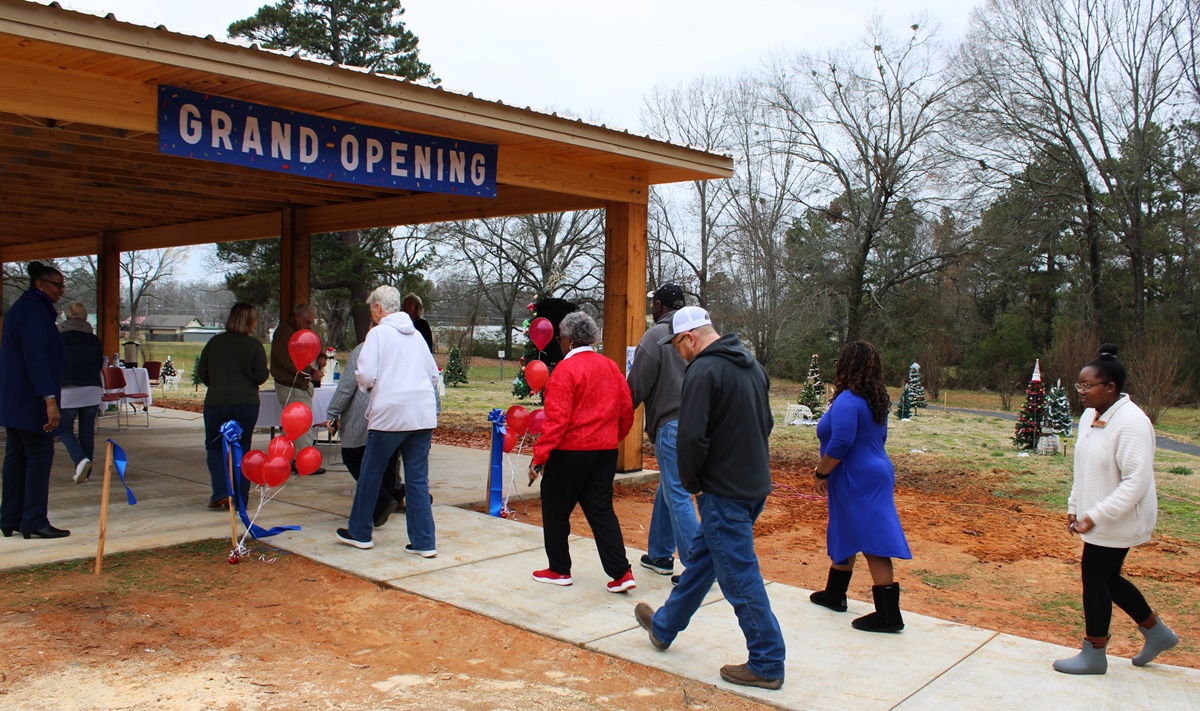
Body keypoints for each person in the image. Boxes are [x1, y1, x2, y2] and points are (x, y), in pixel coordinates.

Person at [633, 306, 785, 690]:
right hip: (753, 486)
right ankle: (664, 626)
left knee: (739, 576)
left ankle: (767, 661)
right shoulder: (751, 365)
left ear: (691, 337)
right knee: (704, 561)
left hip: (723, 492)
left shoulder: (702, 370)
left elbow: (692, 436)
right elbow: (766, 424)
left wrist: (692, 483)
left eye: (677, 346)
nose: (678, 353)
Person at [1053, 344, 1179, 675]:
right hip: (1096, 516)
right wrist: (1075, 504)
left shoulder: (1132, 422)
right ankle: (1156, 632)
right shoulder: (1089, 416)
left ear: (1110, 387)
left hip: (1121, 518)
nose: (1081, 391)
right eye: (1079, 384)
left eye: (1087, 385)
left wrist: (1095, 515)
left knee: (1095, 577)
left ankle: (1094, 653)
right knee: (1106, 577)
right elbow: (1083, 467)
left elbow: (1136, 482)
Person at [527, 311, 636, 593]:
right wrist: (612, 437)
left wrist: (539, 457)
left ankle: (559, 569)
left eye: (561, 339)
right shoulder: (610, 367)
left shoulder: (565, 370)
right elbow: (626, 409)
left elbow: (556, 420)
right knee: (601, 510)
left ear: (570, 341)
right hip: (604, 450)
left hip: (570, 452)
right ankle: (621, 572)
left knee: (555, 509)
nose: (560, 344)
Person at [808, 340, 912, 633]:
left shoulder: (847, 400)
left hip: (856, 476)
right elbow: (879, 439)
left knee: (872, 539)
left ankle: (889, 615)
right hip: (872, 471)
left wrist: (821, 472)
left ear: (846, 365)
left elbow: (841, 442)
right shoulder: (874, 400)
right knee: (845, 528)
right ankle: (834, 594)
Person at [336, 286, 440, 553]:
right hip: (422, 414)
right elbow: (433, 375)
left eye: (372, 308)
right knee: (418, 479)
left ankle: (360, 532)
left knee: (371, 472)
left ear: (379, 308)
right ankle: (424, 542)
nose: (371, 312)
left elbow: (365, 374)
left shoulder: (377, 334)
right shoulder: (416, 336)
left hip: (390, 414)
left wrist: (370, 388)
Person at [628, 284, 697, 581]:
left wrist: (616, 415)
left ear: (658, 306)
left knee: (678, 493)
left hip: (671, 426)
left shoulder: (656, 335)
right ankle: (659, 554)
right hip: (699, 424)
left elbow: (636, 385)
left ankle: (699, 566)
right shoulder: (696, 333)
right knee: (669, 488)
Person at [0, 262, 68, 539]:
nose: (60, 291)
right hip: (32, 398)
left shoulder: (21, 309)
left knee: (16, 457)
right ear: (40, 284)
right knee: (39, 455)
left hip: (15, 398)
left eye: (62, 286)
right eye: (57, 286)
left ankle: (10, 517)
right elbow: (37, 358)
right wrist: (49, 400)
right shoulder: (34, 313)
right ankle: (34, 520)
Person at [197, 303, 269, 510]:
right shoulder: (254, 345)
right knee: (242, 448)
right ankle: (239, 498)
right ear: (251, 321)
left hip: (216, 401)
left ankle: (221, 493)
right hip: (245, 403)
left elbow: (202, 372)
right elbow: (260, 376)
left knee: (214, 447)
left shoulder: (215, 342)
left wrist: (217, 384)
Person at [326, 339, 404, 527]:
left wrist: (333, 412)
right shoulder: (405, 345)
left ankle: (383, 499)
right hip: (397, 409)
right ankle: (390, 496)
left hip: (366, 410)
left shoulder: (365, 348)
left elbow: (347, 385)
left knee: (353, 456)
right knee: (388, 458)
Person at [270, 304, 323, 471]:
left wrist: (321, 355)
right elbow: (287, 361)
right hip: (291, 384)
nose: (309, 326)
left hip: (300, 383)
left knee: (292, 427)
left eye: (311, 323)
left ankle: (281, 459)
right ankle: (305, 462)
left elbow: (313, 343)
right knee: (301, 423)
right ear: (297, 316)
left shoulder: (301, 329)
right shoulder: (284, 332)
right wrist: (310, 372)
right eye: (307, 322)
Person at [58, 301, 104, 485]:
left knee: (63, 429)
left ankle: (80, 460)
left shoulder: (60, 338)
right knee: (87, 431)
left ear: (67, 315)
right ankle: (86, 472)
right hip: (92, 388)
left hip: (67, 389)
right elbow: (99, 363)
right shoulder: (94, 339)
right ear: (85, 317)